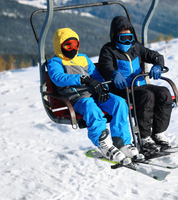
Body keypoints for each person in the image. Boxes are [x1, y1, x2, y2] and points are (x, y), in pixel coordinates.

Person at [47, 28, 144, 165]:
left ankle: (122, 142)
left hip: (95, 94)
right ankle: (103, 143)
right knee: (92, 109)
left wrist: (102, 87)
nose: (73, 49)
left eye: (76, 45)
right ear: (60, 46)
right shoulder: (55, 62)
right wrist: (82, 79)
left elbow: (95, 75)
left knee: (119, 103)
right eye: (68, 46)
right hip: (78, 98)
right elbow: (58, 78)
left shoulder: (83, 58)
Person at [97, 16, 173, 153]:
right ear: (115, 36)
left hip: (140, 84)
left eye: (129, 37)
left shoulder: (136, 47)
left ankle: (158, 133)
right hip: (123, 89)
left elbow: (156, 56)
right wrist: (113, 73)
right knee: (147, 96)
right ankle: (144, 138)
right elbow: (105, 66)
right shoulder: (108, 50)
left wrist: (157, 65)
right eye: (123, 38)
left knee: (164, 93)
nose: (127, 41)